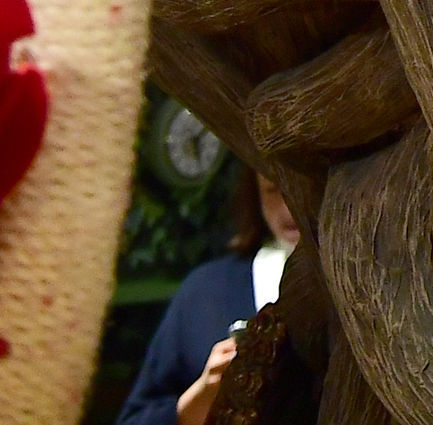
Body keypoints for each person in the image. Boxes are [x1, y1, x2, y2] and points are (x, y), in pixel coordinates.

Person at [114, 169, 297, 425]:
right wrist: (201, 398)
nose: (290, 208)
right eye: (273, 189)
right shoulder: (206, 290)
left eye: (303, 189)